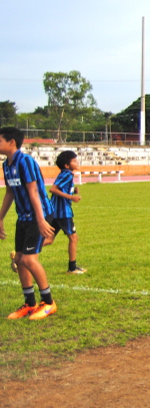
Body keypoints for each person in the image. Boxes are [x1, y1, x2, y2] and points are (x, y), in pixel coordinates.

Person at [0, 127, 57, 320]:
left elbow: (33, 192)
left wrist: (41, 220)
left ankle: (49, 302)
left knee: (29, 260)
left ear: (11, 142)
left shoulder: (25, 162)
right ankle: (30, 303)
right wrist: (0, 218)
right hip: (24, 217)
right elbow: (9, 193)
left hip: (38, 215)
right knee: (19, 260)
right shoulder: (6, 165)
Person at [43, 150, 86, 274]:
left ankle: (24, 253)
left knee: (49, 240)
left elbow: (61, 189)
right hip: (63, 213)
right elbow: (53, 189)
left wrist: (72, 191)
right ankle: (72, 268)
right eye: (74, 161)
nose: (77, 162)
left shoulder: (65, 174)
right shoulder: (67, 174)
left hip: (55, 212)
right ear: (67, 165)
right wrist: (71, 197)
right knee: (73, 237)